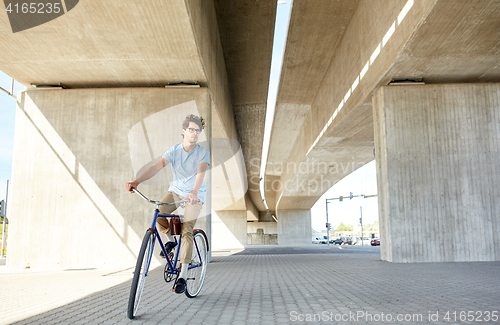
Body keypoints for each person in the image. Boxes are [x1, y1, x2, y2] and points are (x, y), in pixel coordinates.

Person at [125, 114, 210, 294]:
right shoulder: (174, 151)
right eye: (191, 130)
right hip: (176, 191)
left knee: (186, 230)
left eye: (197, 131)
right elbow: (156, 167)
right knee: (160, 214)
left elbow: (201, 173)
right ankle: (171, 242)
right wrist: (137, 181)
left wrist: (194, 192)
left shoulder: (202, 153)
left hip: (195, 195)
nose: (194, 133)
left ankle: (183, 276)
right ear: (184, 131)